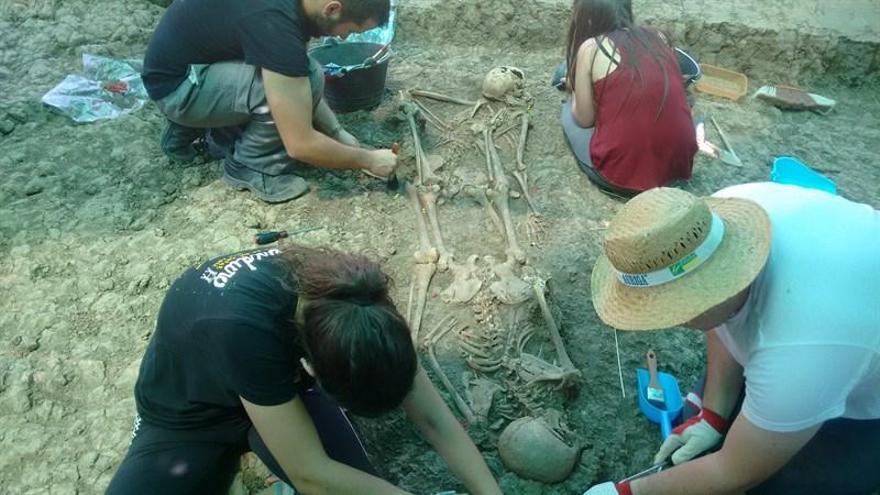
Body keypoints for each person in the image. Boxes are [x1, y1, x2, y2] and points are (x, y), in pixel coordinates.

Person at [107, 245, 502, 494]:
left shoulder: (362, 303)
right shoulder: (243, 329)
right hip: (194, 417)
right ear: (313, 366)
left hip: (283, 395)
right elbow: (311, 471)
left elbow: (434, 418)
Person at [582, 183, 880, 495]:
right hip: (831, 341)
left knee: (772, 484)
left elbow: (734, 473)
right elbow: (726, 312)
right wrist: (713, 413)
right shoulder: (714, 217)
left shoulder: (801, 354)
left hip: (859, 389)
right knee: (697, 422)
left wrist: (628, 492)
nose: (671, 322)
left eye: (667, 311)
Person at [143, 0, 399, 203]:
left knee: (305, 73)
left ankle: (192, 125)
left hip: (188, 67)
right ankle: (252, 165)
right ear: (332, 8)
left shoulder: (293, 8)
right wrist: (368, 160)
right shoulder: (276, 23)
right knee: (283, 90)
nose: (343, 38)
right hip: (177, 89)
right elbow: (300, 144)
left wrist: (337, 132)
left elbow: (298, 76)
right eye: (351, 30)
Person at [560, 0, 696, 198]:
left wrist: (575, 91)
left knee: (568, 111)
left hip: (622, 177)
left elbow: (584, 119)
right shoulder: (658, 37)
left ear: (586, 16)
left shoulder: (591, 48)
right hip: (678, 171)